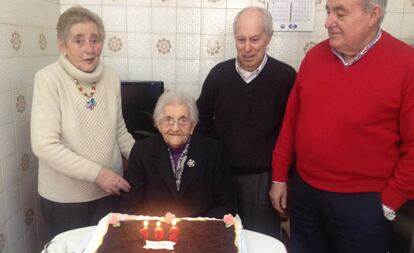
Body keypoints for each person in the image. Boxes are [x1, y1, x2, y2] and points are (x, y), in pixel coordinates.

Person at [270, 0, 414, 252]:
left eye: (340, 13)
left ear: (373, 15)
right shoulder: (314, 56)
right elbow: (291, 121)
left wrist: (389, 202)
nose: (328, 22)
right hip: (306, 195)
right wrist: (280, 177)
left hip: (363, 203)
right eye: (328, 11)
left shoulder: (407, 64)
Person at [31, 6, 135, 239]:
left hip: (109, 194)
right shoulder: (48, 79)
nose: (89, 49)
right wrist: (98, 174)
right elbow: (44, 145)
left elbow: (119, 131)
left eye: (95, 40)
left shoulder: (111, 77)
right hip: (66, 201)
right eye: (79, 40)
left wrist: (149, 162)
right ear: (62, 45)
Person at [196, 7, 296, 237]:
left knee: (260, 239)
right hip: (221, 175)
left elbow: (291, 133)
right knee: (220, 238)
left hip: (264, 179)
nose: (247, 48)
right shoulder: (218, 75)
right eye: (241, 40)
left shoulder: (285, 77)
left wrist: (284, 180)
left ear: (269, 38)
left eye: (255, 39)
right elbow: (201, 121)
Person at [121, 91, 236, 218]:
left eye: (183, 120)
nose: (175, 128)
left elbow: (226, 204)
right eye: (168, 119)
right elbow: (131, 204)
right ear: (158, 124)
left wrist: (195, 226)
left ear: (193, 125)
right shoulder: (142, 151)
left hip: (199, 231)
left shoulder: (213, 151)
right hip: (155, 232)